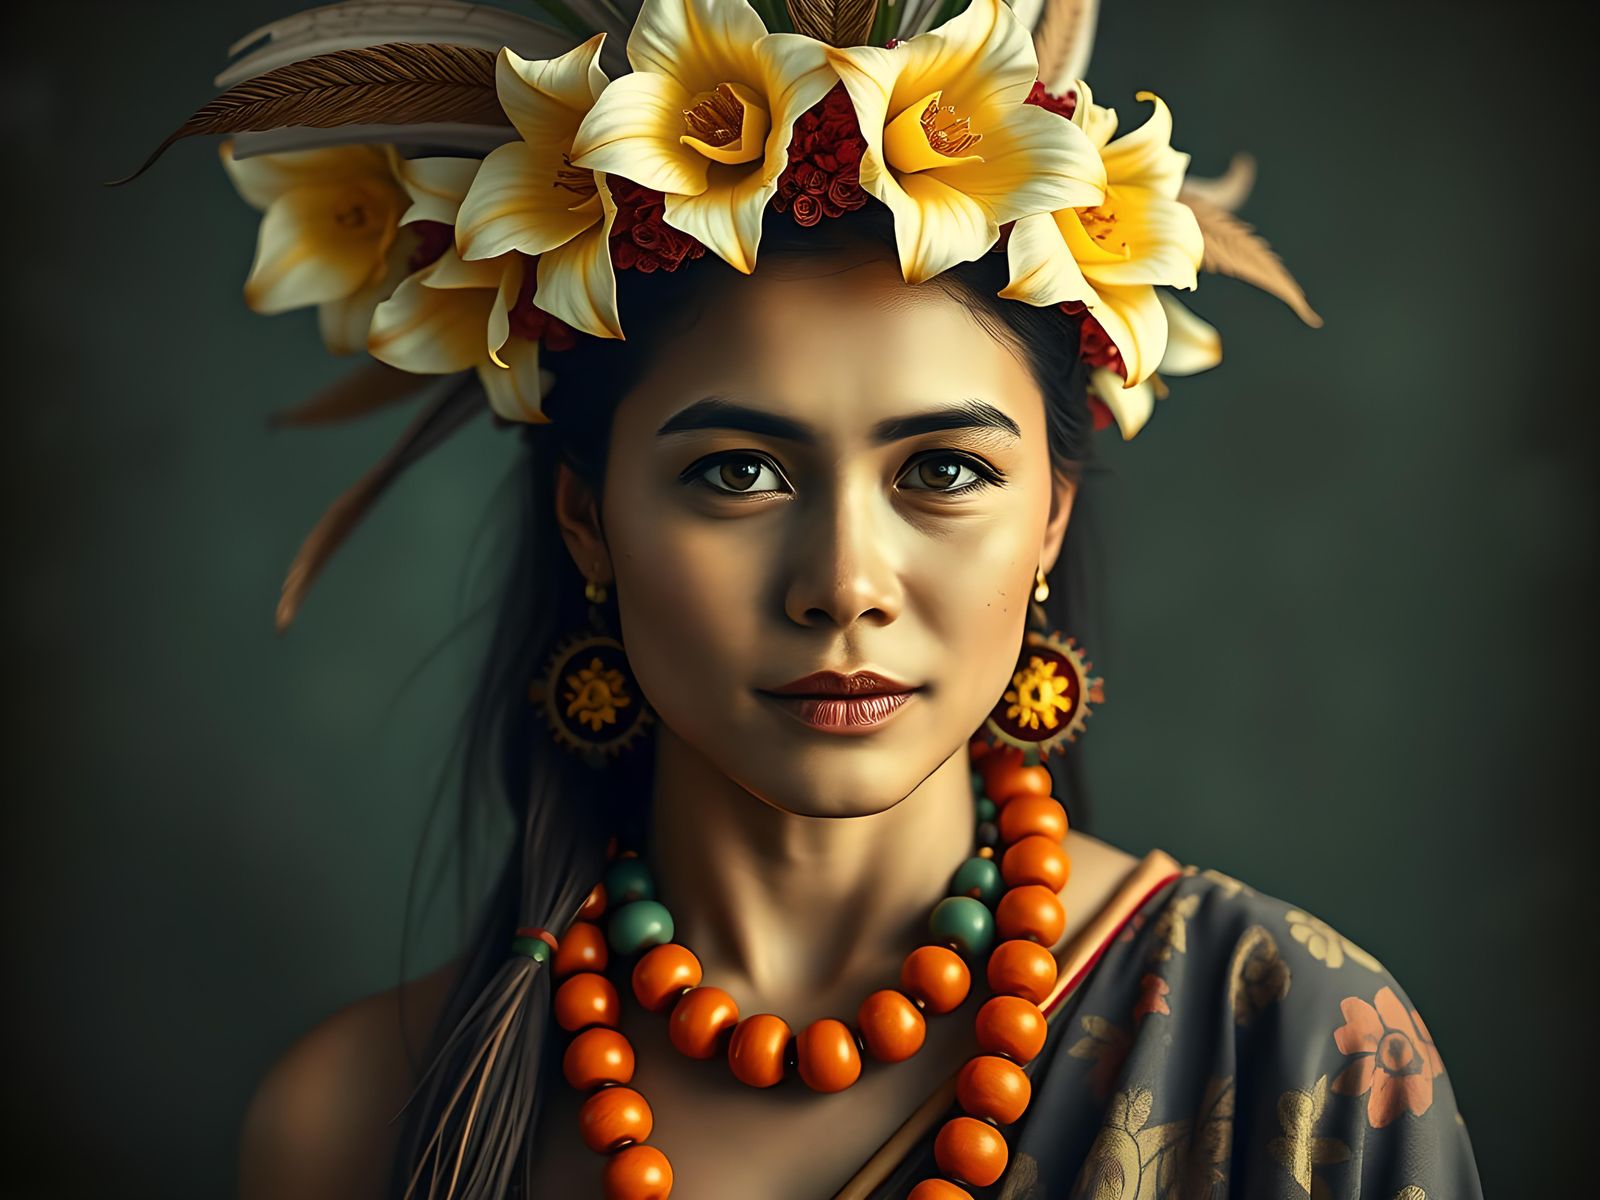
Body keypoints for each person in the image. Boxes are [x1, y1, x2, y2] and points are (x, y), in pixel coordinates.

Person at [144, 0, 1485, 1195]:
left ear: (1049, 522)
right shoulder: (353, 1124)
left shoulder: (1294, 1050)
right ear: (586, 518)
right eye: (738, 472)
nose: (845, 585)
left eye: (945, 469)